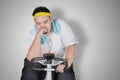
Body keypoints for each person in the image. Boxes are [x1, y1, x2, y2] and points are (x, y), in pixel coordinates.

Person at [21, 6, 79, 80]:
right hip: (39, 63)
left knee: (66, 76)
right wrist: (38, 35)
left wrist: (66, 64)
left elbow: (71, 45)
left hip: (59, 61)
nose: (43, 27)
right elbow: (32, 59)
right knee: (30, 75)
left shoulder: (60, 24)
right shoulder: (33, 34)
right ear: (35, 23)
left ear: (50, 19)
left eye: (45, 22)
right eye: (39, 24)